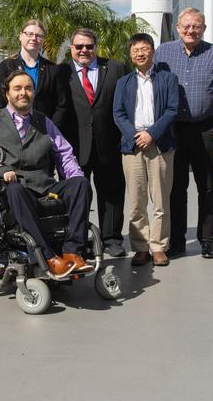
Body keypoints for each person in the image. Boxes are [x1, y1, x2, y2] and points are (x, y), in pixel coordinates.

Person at [0, 70, 91, 278]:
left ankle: (72, 251)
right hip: (13, 190)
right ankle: (48, 256)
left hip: (43, 185)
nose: (23, 93)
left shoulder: (44, 122)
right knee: (15, 189)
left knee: (81, 184)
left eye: (28, 88)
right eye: (17, 88)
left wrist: (75, 176)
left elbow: (65, 154)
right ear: (7, 94)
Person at [154, 7, 213, 259]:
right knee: (176, 187)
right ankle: (177, 239)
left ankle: (208, 238)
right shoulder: (163, 52)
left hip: (206, 127)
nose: (191, 30)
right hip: (173, 128)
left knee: (207, 186)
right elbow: (152, 88)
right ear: (178, 28)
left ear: (204, 28)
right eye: (186, 26)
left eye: (196, 26)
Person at [56, 28, 127, 257]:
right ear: (71, 49)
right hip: (74, 147)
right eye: (79, 46)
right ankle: (79, 239)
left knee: (112, 194)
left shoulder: (115, 68)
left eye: (89, 46)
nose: (84, 50)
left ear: (96, 46)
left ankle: (112, 239)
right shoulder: (61, 71)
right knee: (77, 197)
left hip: (109, 143)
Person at [113, 33, 180, 267]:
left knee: (161, 200)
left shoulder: (168, 79)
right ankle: (141, 247)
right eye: (135, 50)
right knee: (136, 200)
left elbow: (172, 110)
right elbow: (118, 114)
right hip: (132, 146)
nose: (140, 53)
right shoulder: (123, 83)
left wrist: (152, 133)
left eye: (144, 49)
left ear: (153, 51)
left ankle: (159, 246)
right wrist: (136, 135)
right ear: (131, 54)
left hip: (160, 144)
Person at [0, 18, 68, 123]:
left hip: (44, 131)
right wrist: (8, 128)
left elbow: (61, 105)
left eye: (39, 36)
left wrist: (51, 129)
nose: (34, 38)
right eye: (29, 34)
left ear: (43, 40)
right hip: (12, 129)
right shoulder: (6, 66)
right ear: (21, 36)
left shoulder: (52, 68)